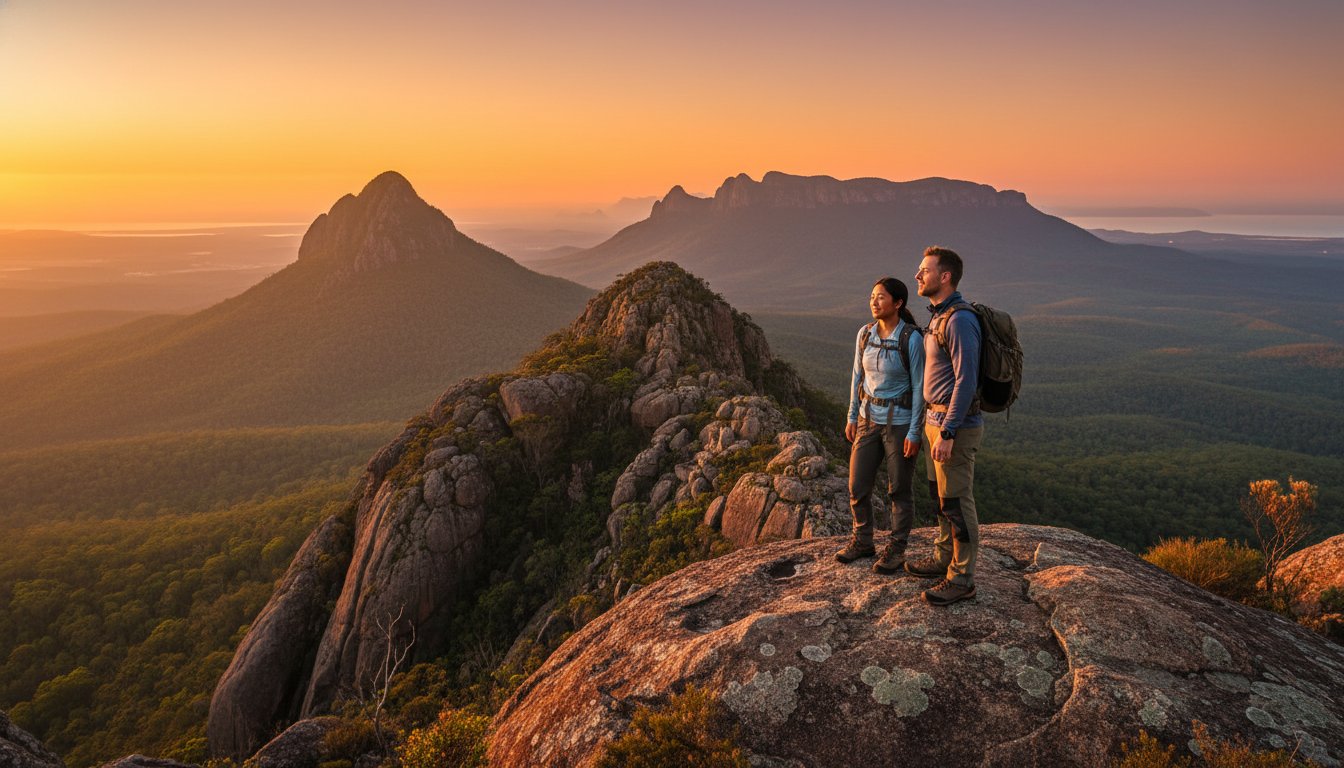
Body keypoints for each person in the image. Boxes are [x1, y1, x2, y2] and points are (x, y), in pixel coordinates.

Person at [905, 246, 984, 605]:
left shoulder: (959, 320)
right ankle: (942, 558)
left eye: (925, 270)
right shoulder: (939, 316)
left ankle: (962, 577)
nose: (918, 275)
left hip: (955, 425)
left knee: (955, 500)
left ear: (945, 276)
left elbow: (966, 381)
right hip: (934, 421)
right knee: (940, 498)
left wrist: (950, 431)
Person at [835, 277, 925, 573]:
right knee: (857, 485)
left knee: (898, 489)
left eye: (881, 297)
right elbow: (856, 378)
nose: (874, 302)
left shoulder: (910, 338)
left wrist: (914, 432)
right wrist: (851, 416)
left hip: (899, 425)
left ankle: (897, 550)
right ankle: (863, 541)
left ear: (898, 303)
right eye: (872, 296)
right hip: (866, 420)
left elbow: (919, 387)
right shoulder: (865, 334)